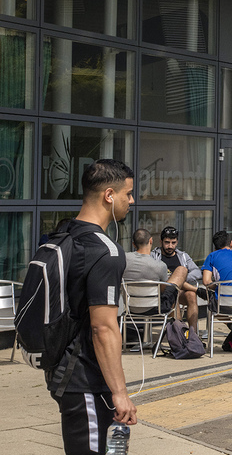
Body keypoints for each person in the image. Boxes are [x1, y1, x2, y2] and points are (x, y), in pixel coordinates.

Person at [50, 159, 137, 453]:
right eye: (128, 194)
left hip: (63, 371)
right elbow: (103, 327)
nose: (132, 201)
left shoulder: (64, 234)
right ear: (109, 195)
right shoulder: (104, 251)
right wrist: (120, 393)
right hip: (85, 377)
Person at [124, 229, 187, 344]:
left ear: (133, 244)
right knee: (180, 274)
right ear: (151, 241)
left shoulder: (123, 259)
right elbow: (162, 290)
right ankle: (180, 338)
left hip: (128, 307)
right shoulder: (160, 266)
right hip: (154, 308)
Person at [150, 226, 203, 332]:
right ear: (161, 242)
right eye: (167, 242)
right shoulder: (153, 256)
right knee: (172, 293)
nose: (170, 246)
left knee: (191, 295)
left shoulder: (183, 256)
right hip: (163, 293)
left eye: (173, 243)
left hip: (181, 290)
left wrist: (180, 278)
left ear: (177, 242)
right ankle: (180, 334)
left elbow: (197, 272)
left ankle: (193, 335)